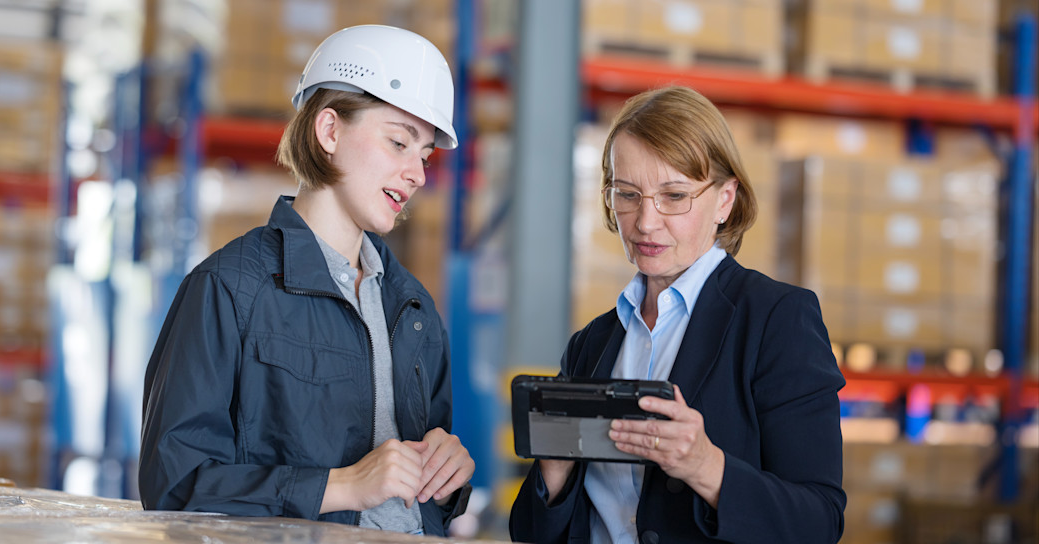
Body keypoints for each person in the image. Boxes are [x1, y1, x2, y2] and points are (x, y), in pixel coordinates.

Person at [139, 25, 474, 536]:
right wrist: (341, 486)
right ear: (330, 131)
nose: (417, 174)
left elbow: (417, 489)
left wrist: (447, 478)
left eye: (424, 155)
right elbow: (174, 486)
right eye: (398, 142)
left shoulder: (412, 308)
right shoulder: (228, 290)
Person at [510, 86, 846, 544]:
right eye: (627, 194)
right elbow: (534, 534)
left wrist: (707, 467)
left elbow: (819, 524)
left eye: (674, 196)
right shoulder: (591, 344)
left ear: (725, 200)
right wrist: (554, 475)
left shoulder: (776, 320)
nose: (645, 222)